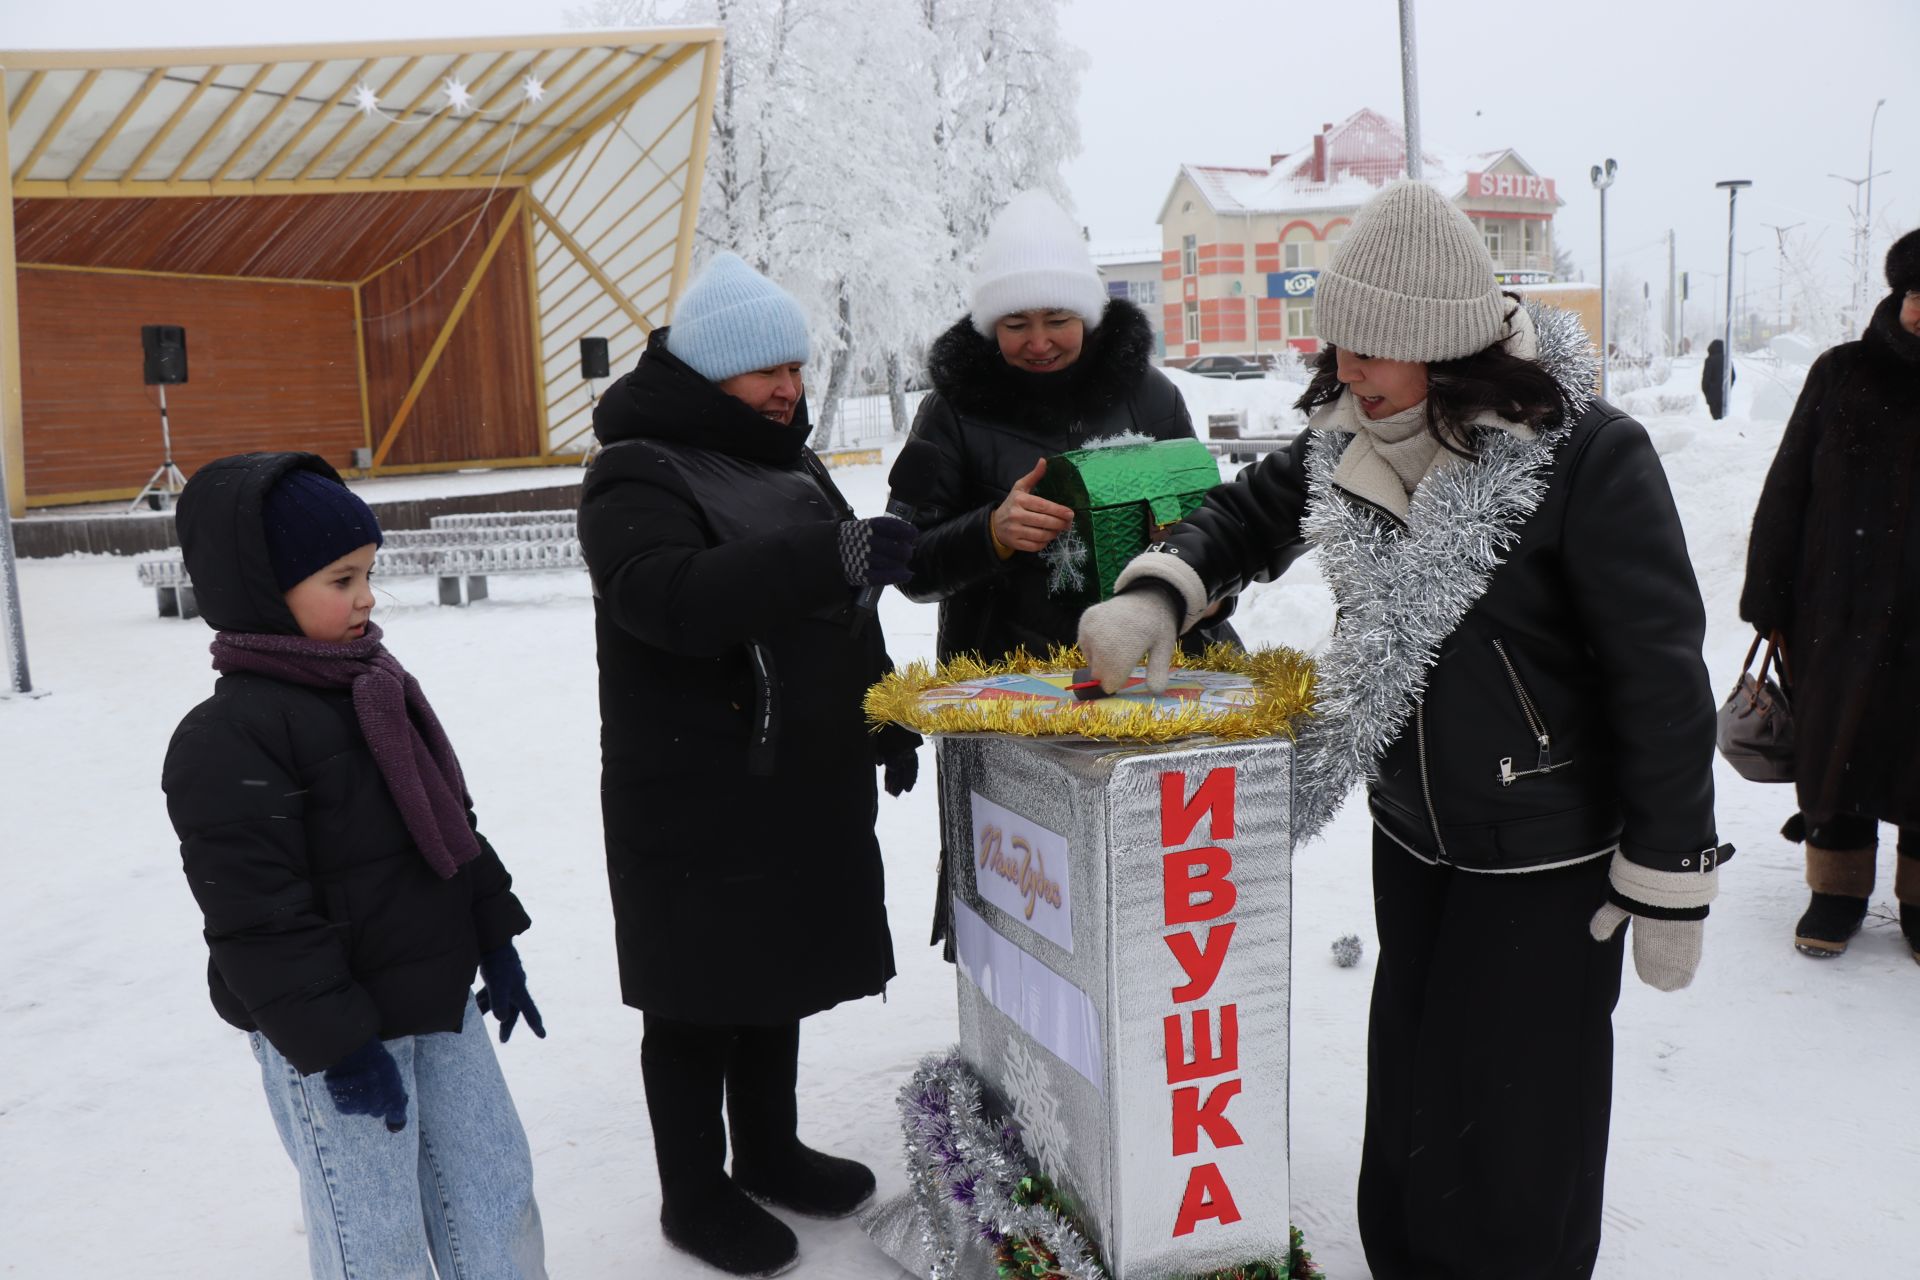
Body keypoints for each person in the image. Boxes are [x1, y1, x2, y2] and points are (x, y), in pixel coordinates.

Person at [1078, 180, 1727, 1280]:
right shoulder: (1352, 434)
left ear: (1446, 347)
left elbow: (1659, 676)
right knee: (1422, 1081)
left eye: (1371, 346)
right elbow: (1247, 510)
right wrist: (1164, 587)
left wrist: (1669, 866)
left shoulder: (1587, 459)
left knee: (1525, 1118)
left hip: (1550, 851)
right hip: (1417, 834)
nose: (1343, 366)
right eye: (1340, 340)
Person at [578, 252, 921, 1277]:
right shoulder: (636, 467)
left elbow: (842, 608)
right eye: (765, 371)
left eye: (796, 369)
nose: (788, 389)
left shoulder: (790, 461)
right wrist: (829, 555)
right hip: (693, 782)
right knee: (696, 995)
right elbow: (668, 596)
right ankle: (694, 1192)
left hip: (802, 772)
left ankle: (769, 1148)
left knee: (777, 971)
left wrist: (883, 709)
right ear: (709, 373)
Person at [162, 453, 547, 1279]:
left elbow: (451, 830)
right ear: (264, 587)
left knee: (493, 1189)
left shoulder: (375, 686)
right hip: (336, 1035)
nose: (366, 597)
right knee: (376, 1235)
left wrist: (495, 937)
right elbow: (257, 920)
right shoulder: (228, 737)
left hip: (439, 999)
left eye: (369, 574)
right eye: (342, 579)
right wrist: (338, 1045)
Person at [884, 189, 1238, 954]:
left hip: (1146, 683)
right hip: (1007, 694)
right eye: (1016, 323)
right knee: (1021, 890)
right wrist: (991, 531)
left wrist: (1192, 567)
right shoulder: (951, 412)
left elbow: (1221, 535)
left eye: (1056, 320)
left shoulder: (1151, 395)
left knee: (1145, 895)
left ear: (1089, 315)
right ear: (989, 325)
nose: (1038, 340)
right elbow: (905, 556)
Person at [1740, 227, 1920, 963]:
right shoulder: (1841, 374)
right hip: (1836, 612)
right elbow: (1788, 488)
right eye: (1916, 295)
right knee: (1836, 754)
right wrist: (1768, 597)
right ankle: (1836, 893)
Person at [1702, 336, 1736, 419]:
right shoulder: (1727, 360)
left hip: (1713, 396)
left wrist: (1707, 391)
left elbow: (1706, 379)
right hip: (1725, 394)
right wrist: (1728, 387)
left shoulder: (1709, 360)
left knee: (1716, 418)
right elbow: (1733, 376)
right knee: (1723, 418)